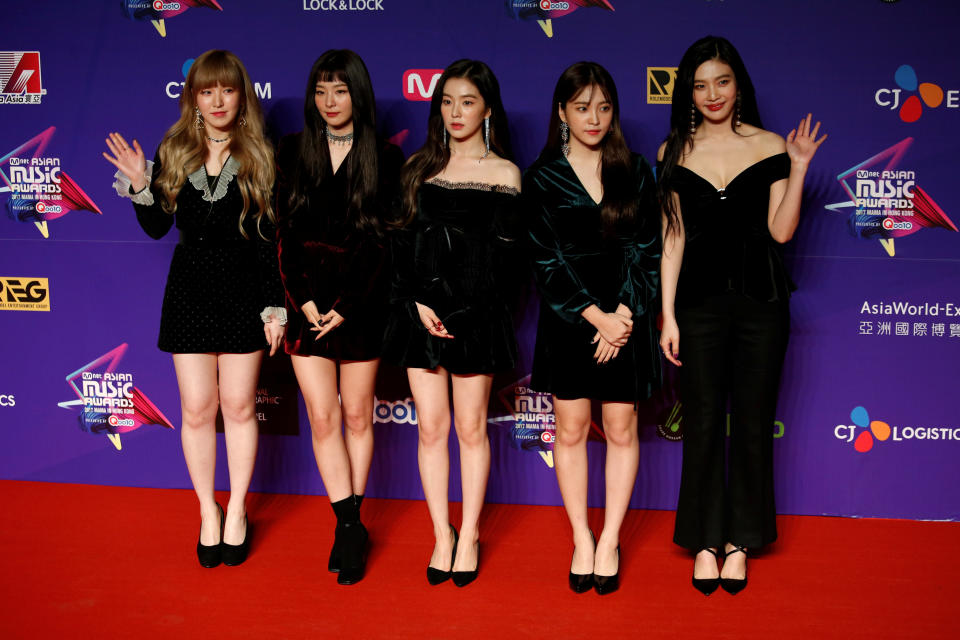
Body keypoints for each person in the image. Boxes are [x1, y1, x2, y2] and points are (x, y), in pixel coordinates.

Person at [657, 35, 826, 595]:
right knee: (702, 423)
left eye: (722, 82)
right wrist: (668, 316)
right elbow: (672, 240)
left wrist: (798, 167)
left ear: (738, 86)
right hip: (698, 307)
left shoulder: (771, 144)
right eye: (700, 85)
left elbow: (781, 231)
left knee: (752, 424)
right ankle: (705, 539)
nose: (712, 94)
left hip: (761, 305)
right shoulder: (672, 152)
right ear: (688, 92)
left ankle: (740, 541)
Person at [103, 49, 285, 568]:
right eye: (207, 91)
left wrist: (275, 305)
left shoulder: (261, 156)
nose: (219, 100)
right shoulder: (175, 150)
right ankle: (208, 509)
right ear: (194, 99)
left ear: (241, 95)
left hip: (244, 296)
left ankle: (238, 512)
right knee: (198, 410)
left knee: (240, 407)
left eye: (227, 89)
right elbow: (158, 228)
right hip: (188, 296)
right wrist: (141, 184)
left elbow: (269, 240)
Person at [383, 59, 522, 588]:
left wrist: (463, 312)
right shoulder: (418, 168)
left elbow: (509, 267)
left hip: (478, 319)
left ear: (487, 108)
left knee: (470, 429)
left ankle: (470, 536)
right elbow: (400, 248)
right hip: (421, 318)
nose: (456, 112)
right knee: (432, 429)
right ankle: (442, 532)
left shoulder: (506, 174)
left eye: (467, 101)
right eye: (447, 101)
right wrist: (419, 304)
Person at [525, 62, 661, 595]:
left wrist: (623, 317)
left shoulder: (636, 169)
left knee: (623, 429)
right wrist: (596, 317)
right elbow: (546, 260)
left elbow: (647, 251)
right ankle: (582, 535)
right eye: (582, 107)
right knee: (573, 429)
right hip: (570, 321)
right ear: (562, 112)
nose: (594, 118)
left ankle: (610, 540)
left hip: (627, 320)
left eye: (604, 107)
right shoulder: (541, 177)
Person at [275, 49, 403, 585]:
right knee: (322, 418)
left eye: (341, 90)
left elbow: (382, 242)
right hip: (305, 307)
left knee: (356, 416)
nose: (330, 102)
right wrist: (303, 302)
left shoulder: (384, 157)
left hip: (362, 307)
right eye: (321, 91)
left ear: (358, 93)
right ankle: (349, 524)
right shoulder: (293, 150)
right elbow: (283, 234)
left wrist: (346, 308)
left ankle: (350, 522)